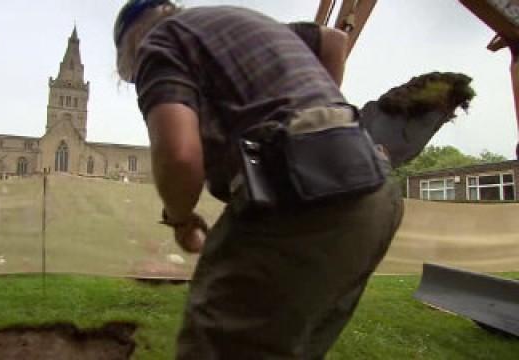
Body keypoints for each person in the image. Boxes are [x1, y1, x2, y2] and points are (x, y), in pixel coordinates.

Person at [113, 1, 403, 358]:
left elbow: (179, 155)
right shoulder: (235, 21)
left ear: (132, 43)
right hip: (374, 189)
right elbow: (333, 42)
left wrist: (181, 219)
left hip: (301, 197)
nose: (137, 76)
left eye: (132, 75)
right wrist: (325, 126)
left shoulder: (157, 43)